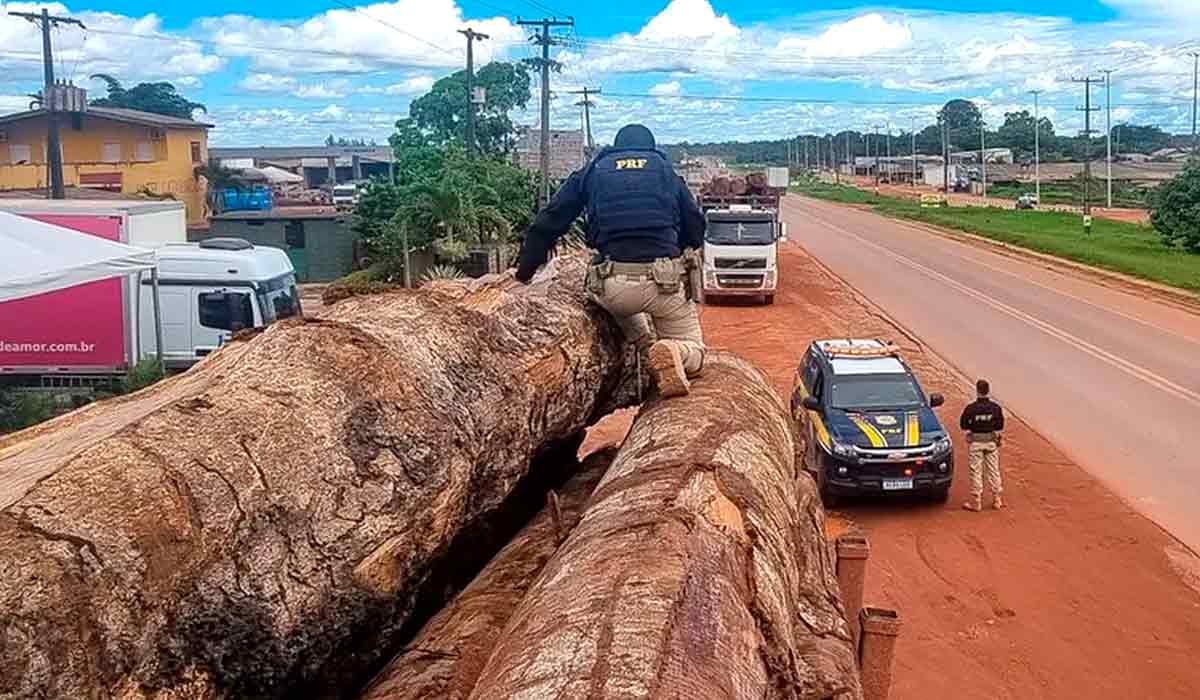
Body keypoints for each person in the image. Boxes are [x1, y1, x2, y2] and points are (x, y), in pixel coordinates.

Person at [515, 123, 706, 397]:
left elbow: (550, 220)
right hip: (665, 286)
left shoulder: (594, 171)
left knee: (607, 299)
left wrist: (523, 273)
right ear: (651, 149)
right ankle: (675, 351)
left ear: (617, 147)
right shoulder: (666, 171)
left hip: (612, 287)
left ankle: (644, 342)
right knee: (696, 350)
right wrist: (683, 245)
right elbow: (695, 225)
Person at [959, 379, 1005, 511]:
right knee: (993, 470)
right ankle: (997, 500)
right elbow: (1000, 425)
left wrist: (973, 427)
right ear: (988, 391)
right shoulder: (995, 408)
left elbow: (963, 425)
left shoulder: (971, 408)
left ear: (977, 391)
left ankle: (976, 502)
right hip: (991, 442)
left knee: (976, 471)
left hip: (976, 442)